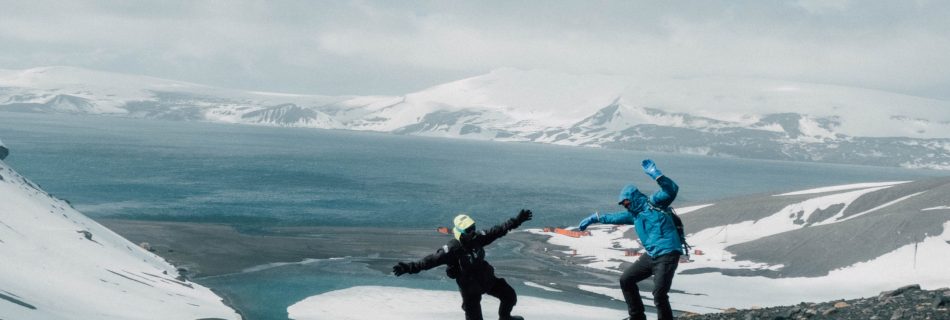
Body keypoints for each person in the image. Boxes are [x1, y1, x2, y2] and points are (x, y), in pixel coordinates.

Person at [577, 159, 682, 320]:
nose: (626, 206)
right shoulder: (635, 216)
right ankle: (637, 317)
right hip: (652, 255)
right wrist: (595, 219)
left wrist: (657, 176)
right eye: (624, 204)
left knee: (659, 294)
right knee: (626, 280)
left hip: (667, 254)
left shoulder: (655, 203)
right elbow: (614, 217)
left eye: (627, 202)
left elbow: (671, 190)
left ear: (634, 198)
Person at [393, 209, 533, 320]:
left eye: (473, 227)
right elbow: (429, 261)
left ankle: (505, 317)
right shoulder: (452, 250)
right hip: (470, 290)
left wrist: (517, 221)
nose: (472, 232)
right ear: (459, 232)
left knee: (509, 296)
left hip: (487, 279)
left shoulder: (477, 238)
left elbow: (498, 231)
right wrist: (408, 268)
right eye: (468, 230)